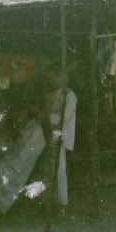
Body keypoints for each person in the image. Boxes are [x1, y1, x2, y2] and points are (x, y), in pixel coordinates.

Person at [41, 62, 77, 212]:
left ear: (61, 76)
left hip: (61, 134)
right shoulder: (49, 95)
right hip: (49, 134)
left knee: (59, 169)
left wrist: (45, 117)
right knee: (47, 169)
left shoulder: (69, 95)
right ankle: (47, 200)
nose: (50, 81)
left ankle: (62, 203)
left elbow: (64, 118)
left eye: (52, 77)